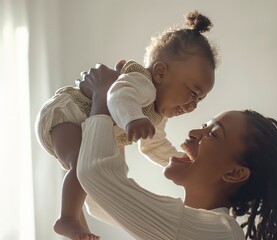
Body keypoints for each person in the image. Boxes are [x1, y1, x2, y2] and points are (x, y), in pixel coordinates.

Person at [75, 62, 277, 240]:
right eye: (204, 126)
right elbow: (96, 202)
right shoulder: (198, 226)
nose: (194, 133)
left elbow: (94, 175)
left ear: (235, 173)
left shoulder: (215, 231)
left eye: (212, 134)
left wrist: (102, 98)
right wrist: (121, 121)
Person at [35, 11, 217, 240]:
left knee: (98, 174)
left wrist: (185, 159)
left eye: (199, 100)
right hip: (68, 114)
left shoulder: (157, 115)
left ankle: (77, 226)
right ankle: (67, 219)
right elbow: (118, 95)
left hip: (85, 126)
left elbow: (153, 145)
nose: (193, 105)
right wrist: (132, 119)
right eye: (192, 93)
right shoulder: (143, 84)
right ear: (160, 72)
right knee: (81, 164)